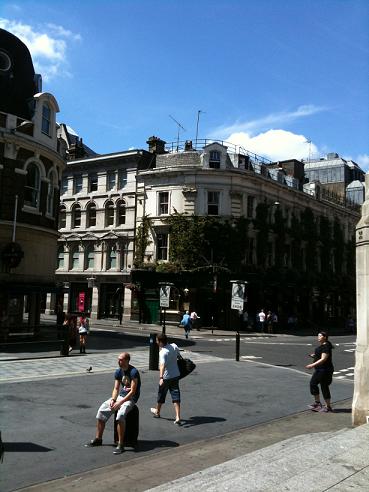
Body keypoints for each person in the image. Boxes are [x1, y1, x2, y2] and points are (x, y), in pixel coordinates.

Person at [86, 352, 141, 454]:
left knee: (120, 415)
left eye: (121, 359)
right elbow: (116, 388)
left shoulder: (134, 372)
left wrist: (120, 403)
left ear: (127, 361)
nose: (118, 361)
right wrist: (113, 400)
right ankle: (98, 439)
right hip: (120, 397)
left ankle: (120, 444)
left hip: (131, 398)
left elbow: (133, 391)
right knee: (102, 410)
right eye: (118, 359)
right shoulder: (118, 371)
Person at [150, 333, 181, 425]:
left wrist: (161, 377)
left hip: (167, 376)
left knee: (161, 394)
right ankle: (178, 416)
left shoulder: (163, 352)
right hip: (176, 374)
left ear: (160, 342)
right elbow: (179, 356)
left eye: (156, 341)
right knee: (175, 395)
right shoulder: (174, 346)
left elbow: (162, 365)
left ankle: (157, 412)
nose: (156, 342)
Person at [306, 331, 334, 413]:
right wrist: (315, 356)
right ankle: (322, 405)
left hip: (324, 370)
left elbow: (323, 359)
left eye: (320, 336)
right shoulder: (323, 346)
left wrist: (312, 365)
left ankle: (323, 405)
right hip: (321, 369)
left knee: (317, 384)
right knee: (320, 385)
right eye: (317, 336)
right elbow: (321, 356)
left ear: (325, 337)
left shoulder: (326, 346)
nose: (318, 337)